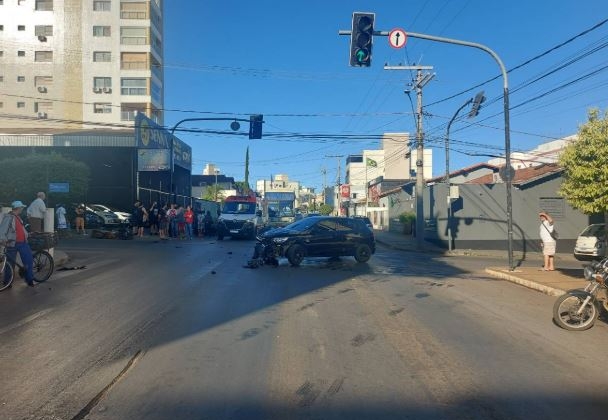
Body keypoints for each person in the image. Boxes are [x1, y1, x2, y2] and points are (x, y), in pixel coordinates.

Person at [0, 201, 35, 287]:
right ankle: (8, 282)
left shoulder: (18, 217)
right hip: (13, 243)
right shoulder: (9, 217)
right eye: (22, 208)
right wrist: (2, 240)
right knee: (11, 264)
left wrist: (27, 234)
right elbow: (2, 231)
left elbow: (21, 229)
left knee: (27, 261)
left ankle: (29, 279)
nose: (22, 209)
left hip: (22, 242)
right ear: (18, 208)